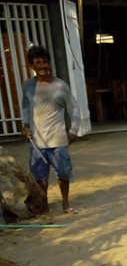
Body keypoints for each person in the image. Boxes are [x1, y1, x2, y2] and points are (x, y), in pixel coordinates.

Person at [21, 45, 80, 214]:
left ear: (50, 64)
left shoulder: (61, 86)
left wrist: (74, 131)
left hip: (58, 139)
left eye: (45, 62)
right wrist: (25, 126)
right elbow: (25, 107)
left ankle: (66, 204)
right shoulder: (28, 86)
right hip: (36, 140)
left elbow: (74, 108)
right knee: (40, 177)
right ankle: (45, 206)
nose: (42, 66)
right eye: (37, 63)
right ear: (32, 66)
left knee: (63, 173)